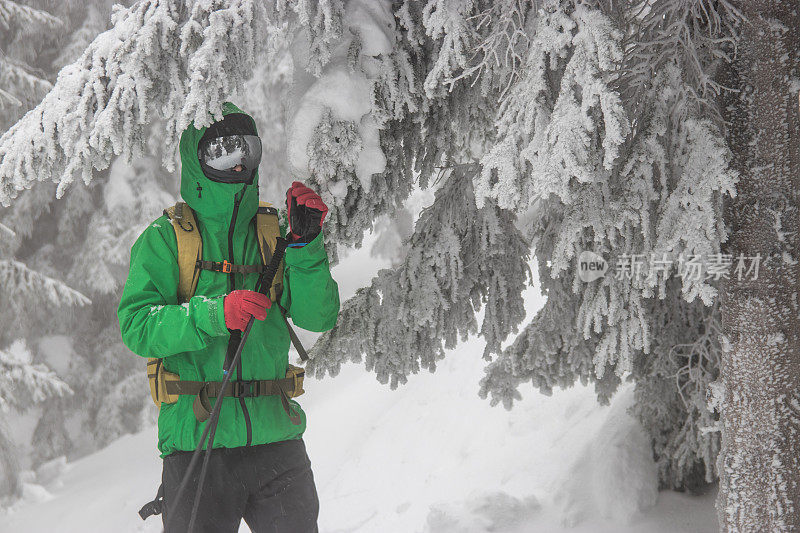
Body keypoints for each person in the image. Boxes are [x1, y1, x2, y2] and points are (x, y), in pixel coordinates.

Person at [118, 102, 339, 532]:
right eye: (220, 150)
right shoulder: (164, 240)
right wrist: (216, 313)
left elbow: (320, 315)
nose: (237, 160)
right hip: (199, 443)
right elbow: (138, 325)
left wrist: (306, 246)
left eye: (246, 149)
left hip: (277, 442)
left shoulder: (273, 232)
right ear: (196, 160)